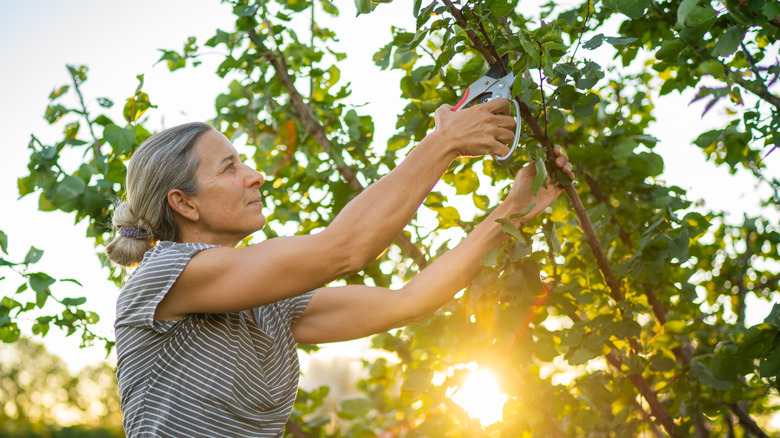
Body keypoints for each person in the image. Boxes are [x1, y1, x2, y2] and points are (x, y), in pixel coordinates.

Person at [106, 98, 574, 437]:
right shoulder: (165, 276)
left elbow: (410, 303)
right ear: (184, 203)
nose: (255, 175)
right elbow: (347, 248)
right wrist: (444, 144)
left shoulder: (271, 305)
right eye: (229, 168)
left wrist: (510, 215)